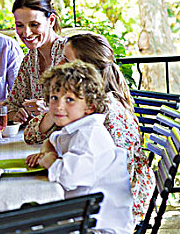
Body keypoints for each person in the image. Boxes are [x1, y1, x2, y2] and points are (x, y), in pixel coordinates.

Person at [24, 33, 154, 221]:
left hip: (114, 209)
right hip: (91, 195)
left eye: (66, 60)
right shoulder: (75, 103)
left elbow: (112, 177)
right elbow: (33, 135)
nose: (58, 64)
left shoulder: (108, 112)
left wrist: (52, 159)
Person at [26, 61, 133, 233]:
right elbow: (53, 140)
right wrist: (48, 150)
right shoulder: (78, 128)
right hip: (82, 218)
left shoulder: (91, 136)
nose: (59, 106)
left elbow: (68, 176)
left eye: (70, 99)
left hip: (101, 228)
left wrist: (49, 160)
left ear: (90, 106)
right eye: (54, 97)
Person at [6, 0, 66, 123]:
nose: (26, 33)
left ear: (51, 21)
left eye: (34, 24)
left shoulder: (70, 53)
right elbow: (11, 104)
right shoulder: (29, 59)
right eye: (19, 25)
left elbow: (89, 105)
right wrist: (17, 114)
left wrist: (50, 109)